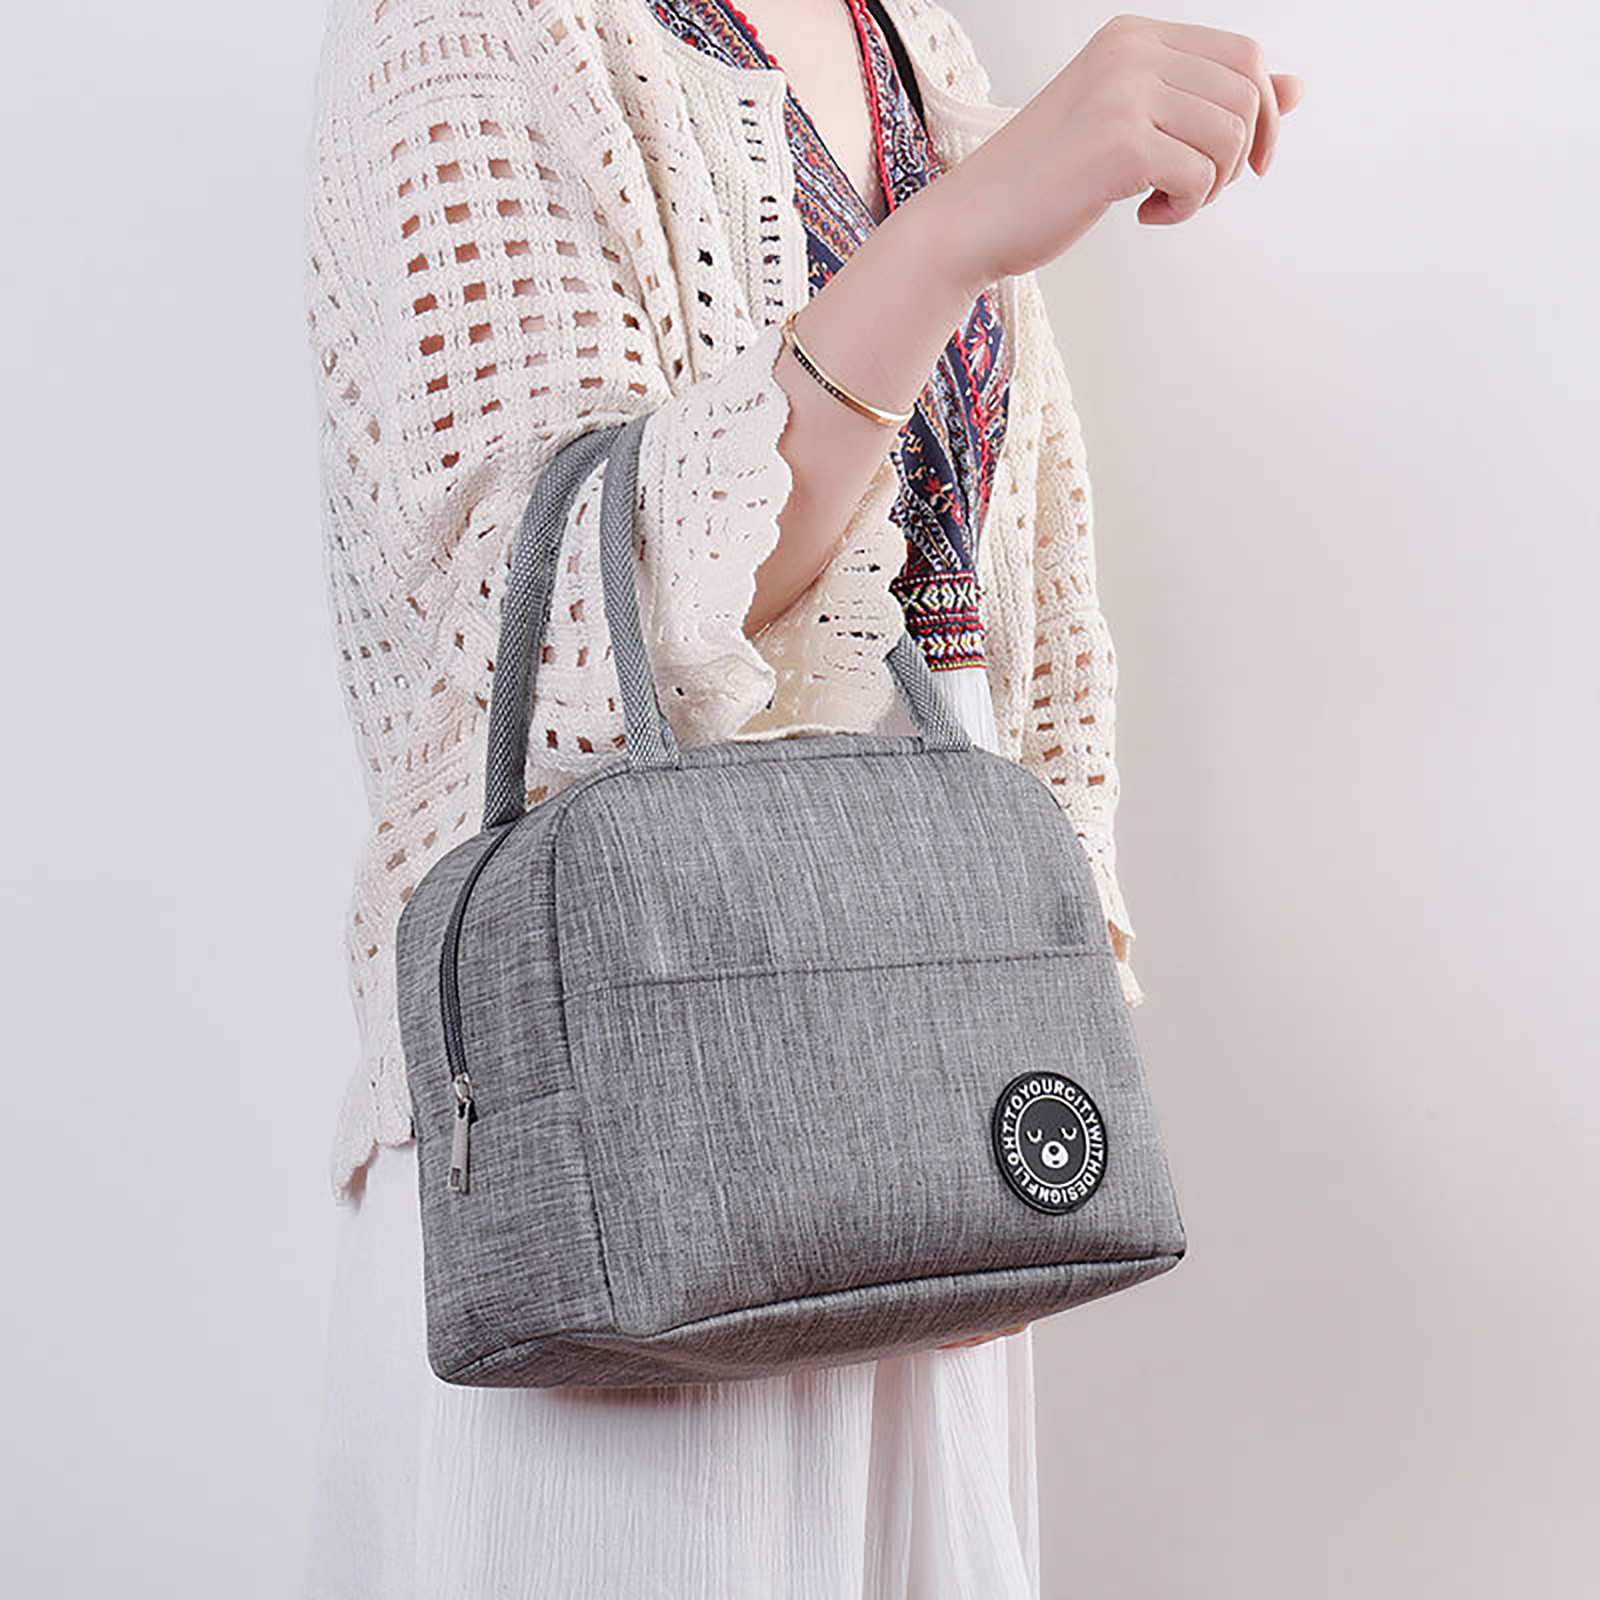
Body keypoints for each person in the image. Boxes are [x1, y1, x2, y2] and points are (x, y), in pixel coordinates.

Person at [300, 2, 1302, 1594]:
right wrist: (957, 234)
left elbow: (1009, 624)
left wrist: (1024, 1023)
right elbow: (544, 642)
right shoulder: (469, 27)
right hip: (618, 1152)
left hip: (916, 1137)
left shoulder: (911, 40)